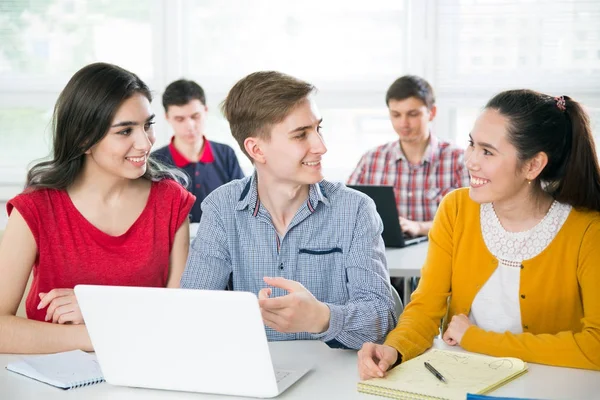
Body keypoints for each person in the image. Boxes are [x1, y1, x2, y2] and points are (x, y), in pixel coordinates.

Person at [357, 89, 600, 377]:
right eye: (472, 144)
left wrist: (475, 338)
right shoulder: (456, 209)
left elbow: (595, 346)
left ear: (533, 165)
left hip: (548, 385)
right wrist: (395, 348)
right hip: (461, 380)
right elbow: (425, 308)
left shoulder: (587, 230)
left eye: (487, 151)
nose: (470, 160)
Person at [180, 71, 396, 350]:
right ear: (257, 149)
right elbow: (193, 311)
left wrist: (322, 318)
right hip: (255, 374)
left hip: (334, 377)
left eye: (318, 128)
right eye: (301, 135)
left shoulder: (355, 210)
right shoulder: (222, 208)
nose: (321, 146)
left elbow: (381, 317)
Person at [0, 63, 195, 354]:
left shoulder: (170, 200)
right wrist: (97, 333)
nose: (145, 143)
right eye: (125, 131)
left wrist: (100, 309)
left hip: (148, 369)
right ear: (83, 139)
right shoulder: (35, 208)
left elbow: (180, 315)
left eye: (147, 125)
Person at [347, 75, 469, 237]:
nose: (403, 124)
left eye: (412, 114)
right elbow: (346, 211)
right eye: (396, 115)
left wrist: (420, 227)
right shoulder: (371, 160)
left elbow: (472, 219)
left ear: (431, 112)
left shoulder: (459, 160)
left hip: (440, 254)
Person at [152, 79, 244, 222]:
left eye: (195, 116)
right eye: (179, 119)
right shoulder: (155, 161)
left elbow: (242, 205)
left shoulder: (226, 154)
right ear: (167, 118)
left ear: (205, 111)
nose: (190, 126)